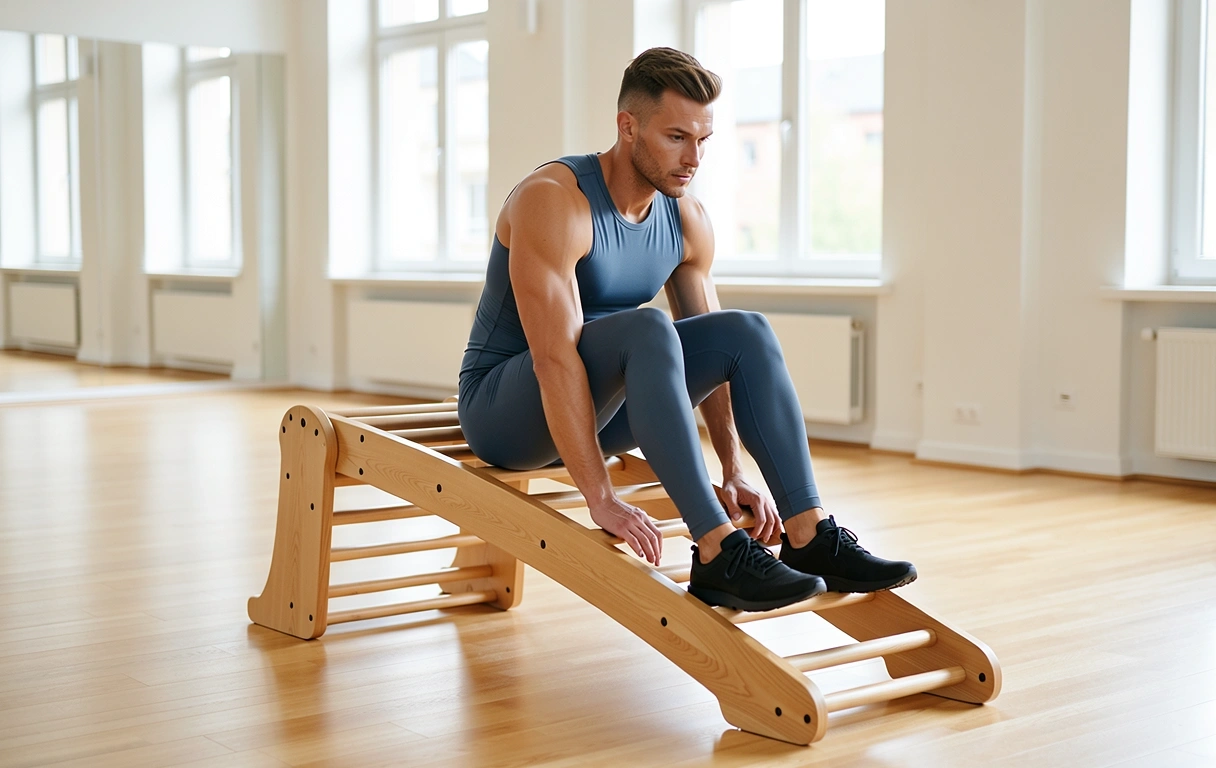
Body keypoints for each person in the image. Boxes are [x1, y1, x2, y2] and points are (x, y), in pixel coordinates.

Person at [457, 47, 915, 611]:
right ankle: (717, 549)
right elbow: (554, 359)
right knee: (649, 329)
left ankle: (809, 534)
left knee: (744, 330)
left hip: (600, 411)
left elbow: (717, 354)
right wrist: (600, 497)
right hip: (507, 414)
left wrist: (733, 469)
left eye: (703, 139)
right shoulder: (553, 201)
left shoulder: (685, 217)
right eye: (676, 137)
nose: (693, 157)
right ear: (628, 126)